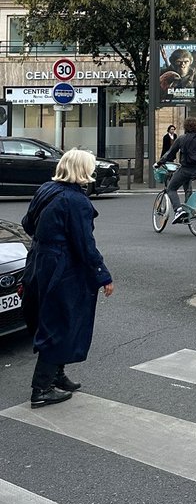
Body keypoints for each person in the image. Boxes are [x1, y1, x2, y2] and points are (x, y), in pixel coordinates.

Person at [21, 149, 114, 408]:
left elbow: (28, 223)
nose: (93, 172)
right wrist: (102, 275)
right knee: (61, 321)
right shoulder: (77, 201)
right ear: (82, 170)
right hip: (63, 266)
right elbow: (85, 244)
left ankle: (57, 376)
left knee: (50, 317)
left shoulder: (46, 189)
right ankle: (41, 389)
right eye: (90, 167)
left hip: (39, 259)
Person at [156, 116, 196, 223]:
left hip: (186, 169)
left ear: (186, 127)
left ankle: (178, 210)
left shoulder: (182, 138)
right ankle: (189, 211)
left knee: (171, 188)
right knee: (188, 188)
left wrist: (159, 163)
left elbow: (170, 154)